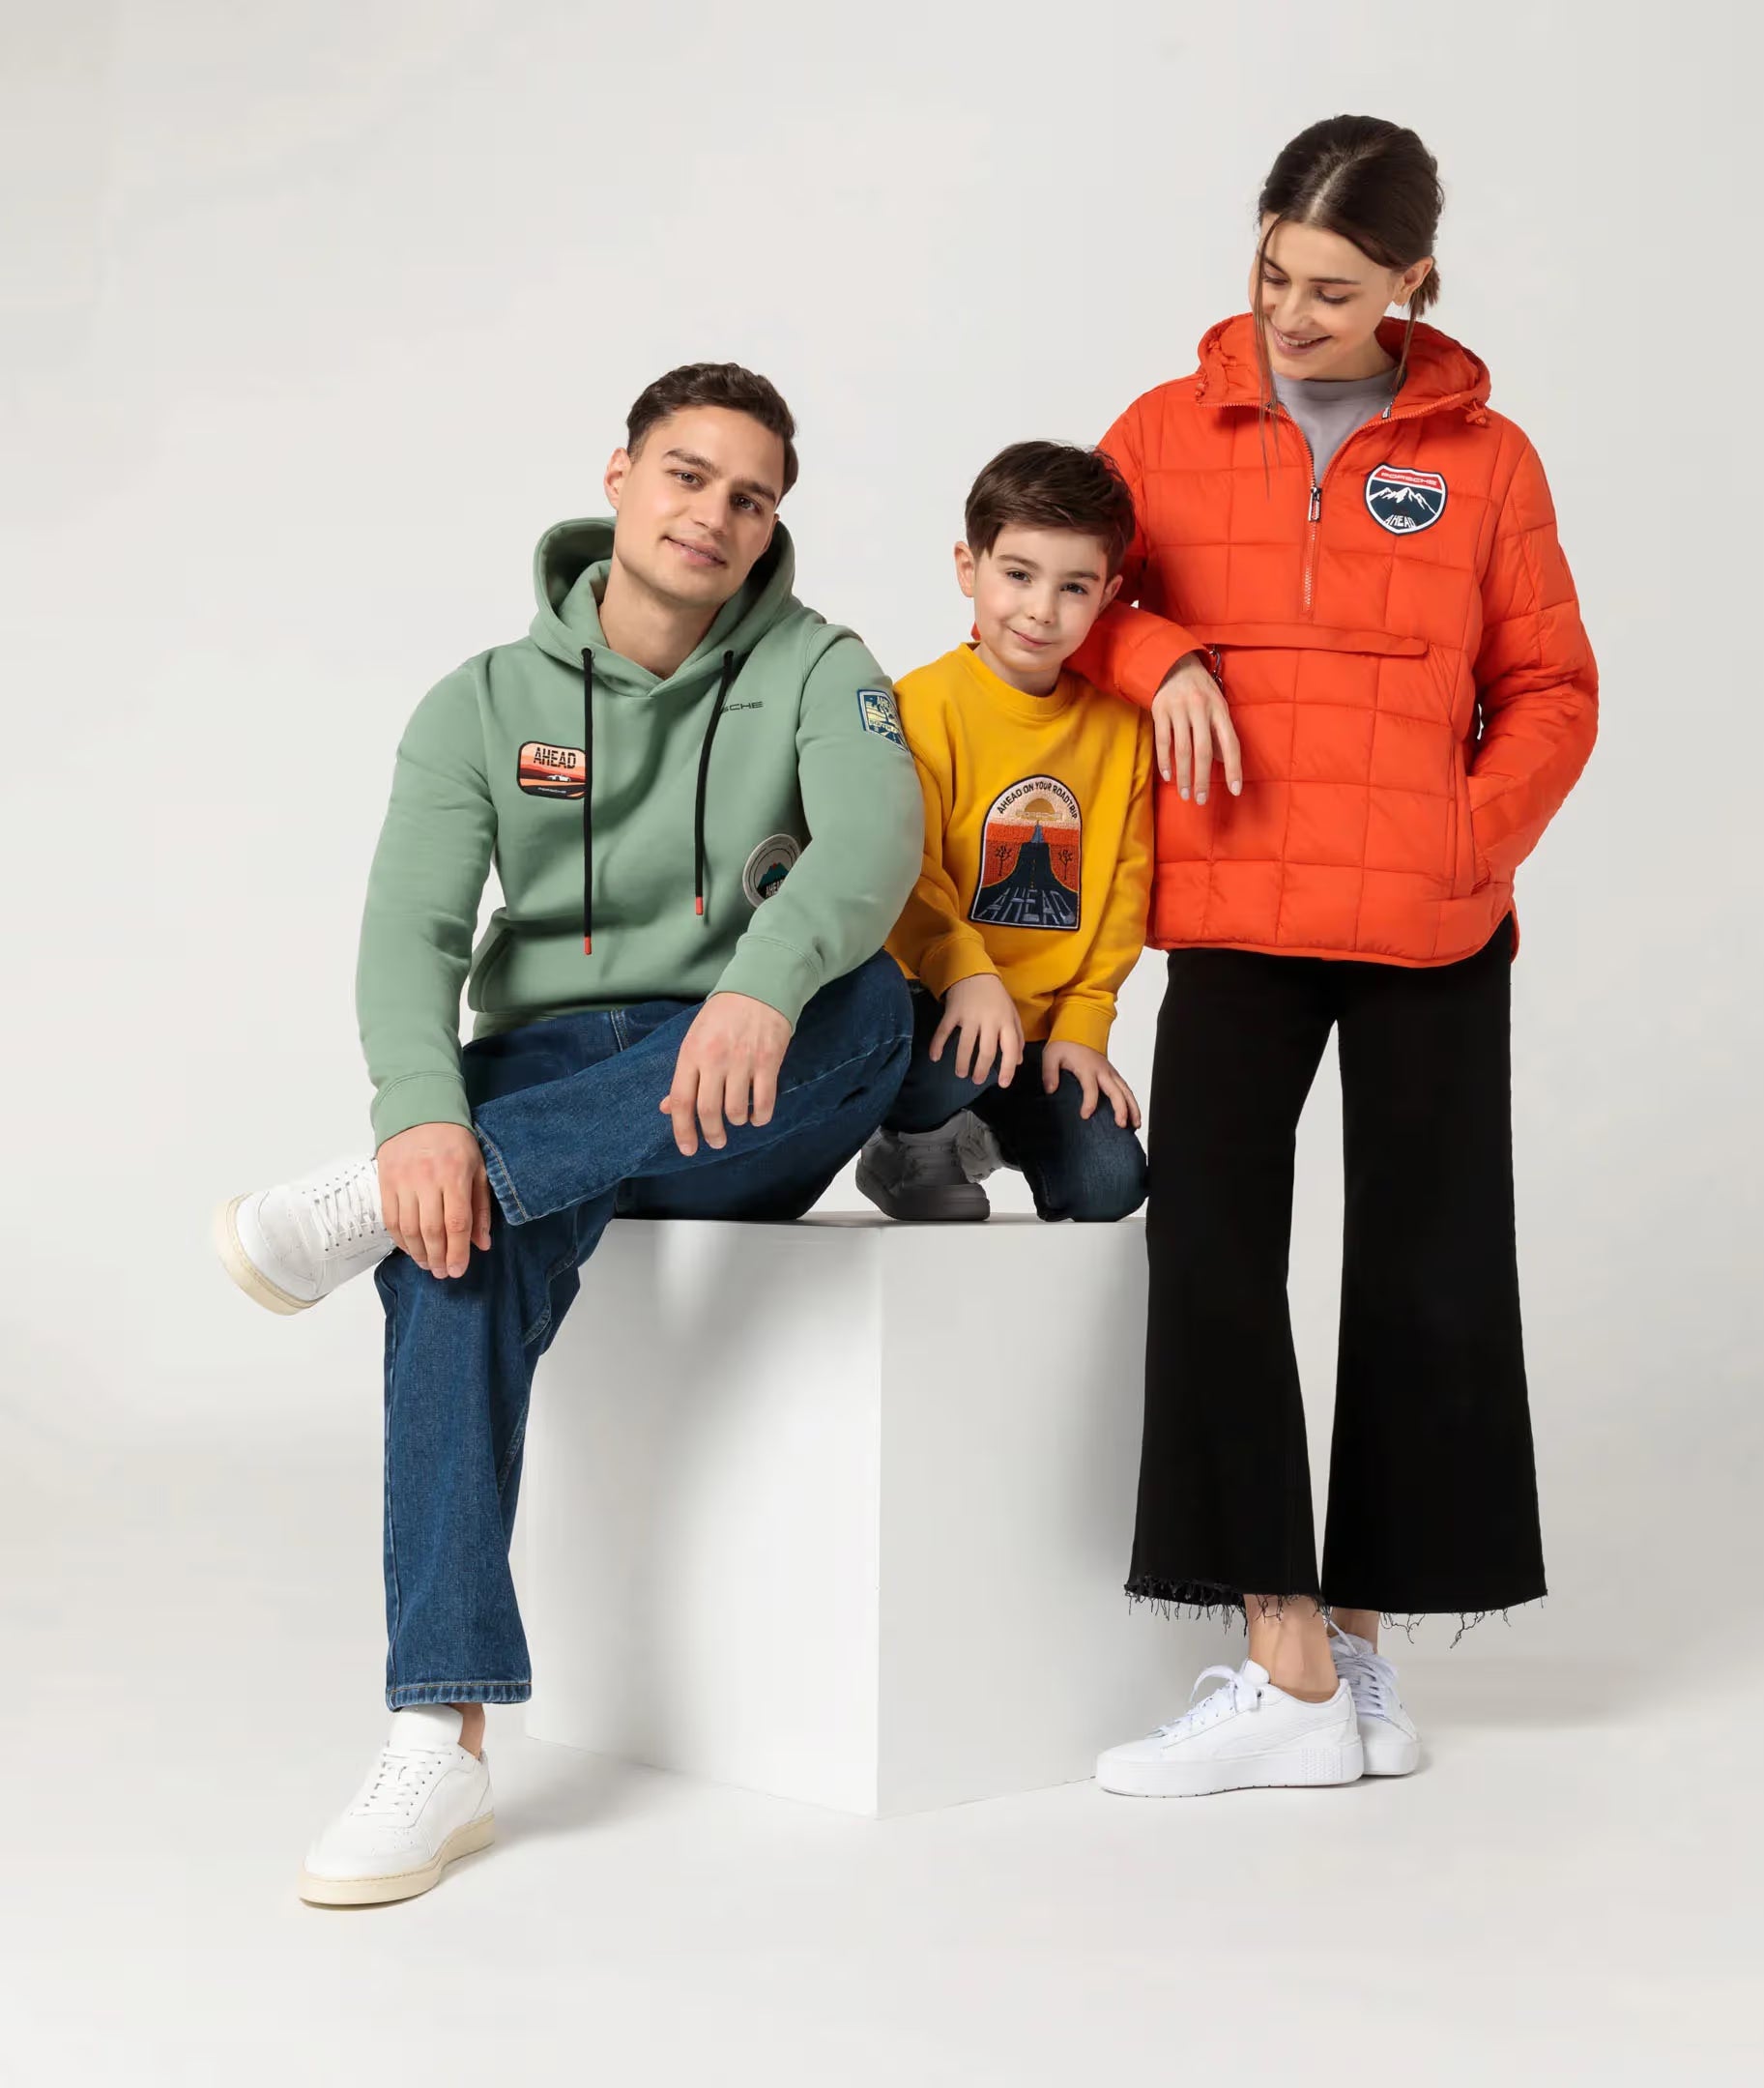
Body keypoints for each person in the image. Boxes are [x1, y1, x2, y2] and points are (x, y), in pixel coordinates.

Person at [212, 362, 923, 1901]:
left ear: (773, 525)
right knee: (445, 1250)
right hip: (549, 1067)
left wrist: (760, 989)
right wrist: (420, 1119)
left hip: (749, 1088)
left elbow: (874, 847)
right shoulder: (479, 702)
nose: (714, 515)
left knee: (872, 1004)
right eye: (688, 475)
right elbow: (411, 934)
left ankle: (387, 1193)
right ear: (618, 477)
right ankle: (439, 1737)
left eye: (751, 498)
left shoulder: (823, 666)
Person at [1082, 117, 1599, 1797]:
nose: (1291, 315)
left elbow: (1553, 687)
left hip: (1432, 923)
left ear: (1412, 284)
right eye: (1272, 274)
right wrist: (1157, 655)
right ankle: (1284, 1653)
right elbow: (1068, 598)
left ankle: (1362, 1656)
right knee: (1213, 1260)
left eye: (1332, 290)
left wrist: (1467, 836)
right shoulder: (1161, 432)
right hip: (1235, 909)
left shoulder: (1489, 461)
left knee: (1428, 1274)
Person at [857, 441, 1152, 1225]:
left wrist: (1085, 1025)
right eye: (1018, 575)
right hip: (938, 1004)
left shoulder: (1124, 731)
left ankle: (976, 1133)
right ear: (969, 567)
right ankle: (912, 1134)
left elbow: (1125, 894)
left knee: (1110, 1184)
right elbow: (905, 870)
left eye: (1073, 587)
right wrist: (965, 971)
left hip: (1038, 1033)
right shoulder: (920, 706)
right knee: (957, 1056)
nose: (1041, 610)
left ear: (1108, 595)